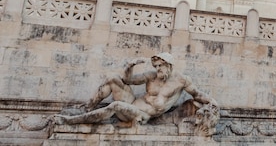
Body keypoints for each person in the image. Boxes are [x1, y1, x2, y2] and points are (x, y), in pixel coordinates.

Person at [54, 53, 216, 127]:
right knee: (113, 79)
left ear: (169, 65)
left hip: (142, 115)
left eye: (161, 65)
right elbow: (127, 80)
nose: (158, 68)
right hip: (132, 103)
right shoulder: (151, 75)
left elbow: (197, 94)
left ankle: (71, 121)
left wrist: (212, 102)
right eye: (156, 65)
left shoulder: (182, 80)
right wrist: (130, 65)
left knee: (115, 105)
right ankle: (87, 107)